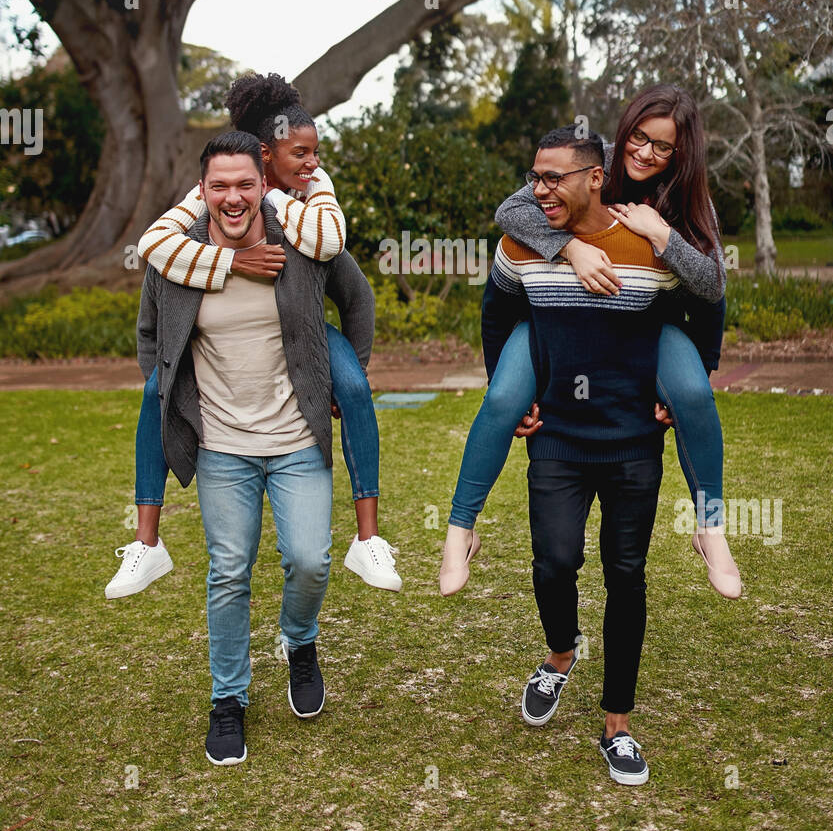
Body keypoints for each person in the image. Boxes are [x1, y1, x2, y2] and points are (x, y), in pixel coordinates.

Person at [439, 84, 739, 602]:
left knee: (692, 396)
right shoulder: (590, 163)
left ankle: (710, 527)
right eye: (638, 138)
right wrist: (570, 247)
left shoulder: (690, 201)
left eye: (662, 146)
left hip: (647, 320)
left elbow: (712, 289)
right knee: (503, 399)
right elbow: (512, 212)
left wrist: (662, 235)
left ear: (680, 152)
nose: (645, 152)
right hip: (556, 316)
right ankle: (460, 529)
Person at [107, 73, 401, 599]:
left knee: (355, 389)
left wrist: (347, 367)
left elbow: (349, 280)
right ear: (266, 157)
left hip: (307, 333)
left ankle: (369, 536)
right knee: (155, 393)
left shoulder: (308, 199)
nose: (311, 163)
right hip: (225, 368)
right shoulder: (216, 197)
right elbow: (154, 248)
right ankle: (146, 544)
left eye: (315, 153)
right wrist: (237, 262)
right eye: (300, 154)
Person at [137, 130, 375, 764]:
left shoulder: (299, 243)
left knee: (309, 560)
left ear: (264, 184)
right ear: (203, 191)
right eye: (220, 186)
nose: (234, 197)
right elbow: (151, 337)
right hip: (221, 445)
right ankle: (228, 699)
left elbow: (357, 302)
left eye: (245, 183)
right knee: (229, 571)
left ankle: (299, 640)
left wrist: (342, 381)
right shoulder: (178, 258)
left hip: (298, 437)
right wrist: (171, 398)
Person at [482, 126, 685, 785]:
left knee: (626, 575)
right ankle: (561, 654)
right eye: (534, 176)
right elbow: (496, 313)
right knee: (554, 562)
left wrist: (679, 389)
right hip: (559, 441)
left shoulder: (650, 241)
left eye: (554, 177)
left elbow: (702, 306)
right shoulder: (524, 242)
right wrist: (513, 395)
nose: (539, 188)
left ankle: (617, 726)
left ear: (595, 178)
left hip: (633, 443)